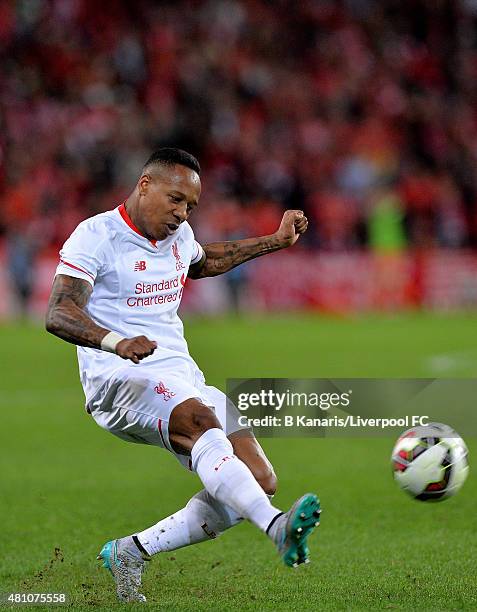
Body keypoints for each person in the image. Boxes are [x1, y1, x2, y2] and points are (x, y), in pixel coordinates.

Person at [45, 148, 320, 603]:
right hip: (119, 377)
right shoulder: (96, 236)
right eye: (175, 200)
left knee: (258, 478)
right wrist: (116, 341)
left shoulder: (178, 235)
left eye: (190, 206)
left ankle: (132, 551)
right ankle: (275, 526)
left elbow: (203, 261)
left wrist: (276, 240)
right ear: (145, 185)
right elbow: (58, 312)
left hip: (179, 374)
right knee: (202, 425)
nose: (181, 213)